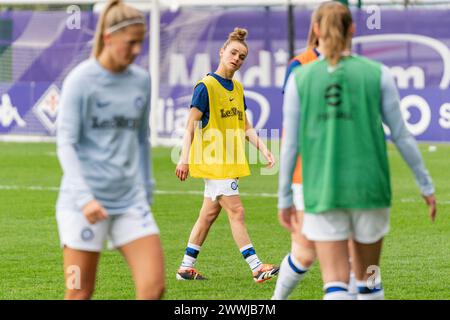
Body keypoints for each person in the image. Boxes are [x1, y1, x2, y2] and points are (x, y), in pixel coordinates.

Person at [278, 1, 436, 300]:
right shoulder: (378, 73)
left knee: (335, 284)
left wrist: (285, 196)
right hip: (370, 192)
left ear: (315, 29)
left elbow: (290, 143)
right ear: (353, 28)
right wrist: (425, 184)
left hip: (323, 191)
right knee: (369, 278)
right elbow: (402, 135)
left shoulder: (300, 78)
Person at [56, 0, 164, 300]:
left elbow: (142, 138)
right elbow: (66, 142)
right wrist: (85, 198)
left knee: (154, 288)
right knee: (78, 292)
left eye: (140, 42)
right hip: (83, 207)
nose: (137, 50)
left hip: (130, 203)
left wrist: (146, 187)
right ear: (108, 38)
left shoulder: (141, 81)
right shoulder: (80, 80)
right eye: (131, 42)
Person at [175, 27, 279, 283]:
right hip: (214, 162)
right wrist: (184, 158)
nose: (237, 58)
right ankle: (257, 268)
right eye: (233, 52)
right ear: (222, 52)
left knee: (208, 215)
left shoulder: (237, 88)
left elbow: (245, 126)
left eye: (242, 56)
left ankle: (186, 267)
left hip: (229, 161)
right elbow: (190, 126)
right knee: (237, 212)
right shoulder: (205, 86)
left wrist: (264, 148)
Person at [273, 3, 357, 300]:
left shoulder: (357, 67)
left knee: (352, 256)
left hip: (346, 172)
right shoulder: (301, 65)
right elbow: (291, 127)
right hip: (307, 172)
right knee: (305, 254)